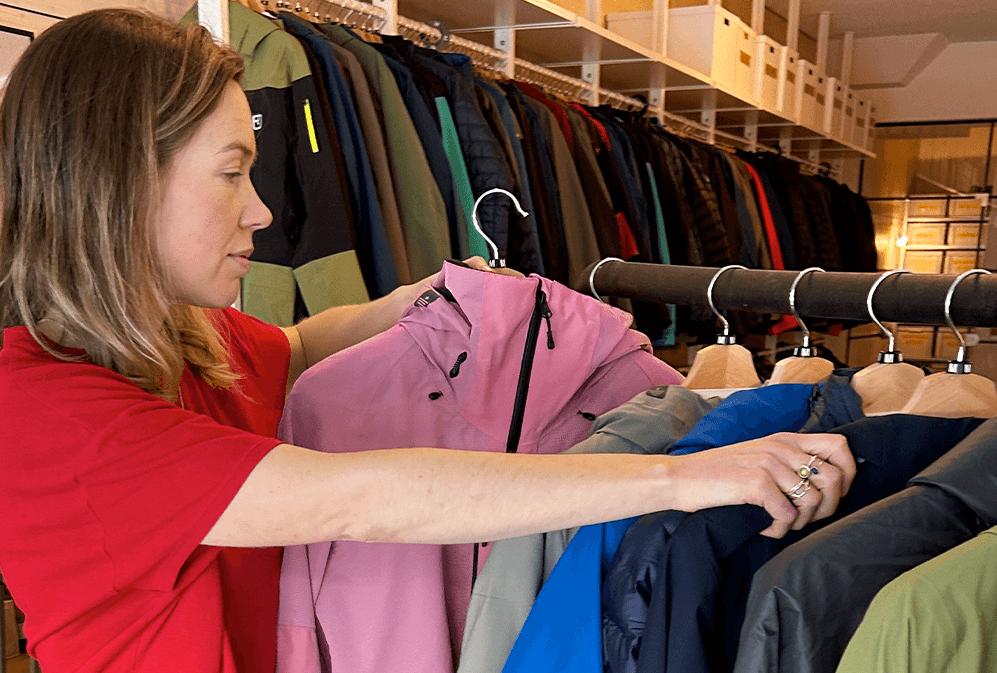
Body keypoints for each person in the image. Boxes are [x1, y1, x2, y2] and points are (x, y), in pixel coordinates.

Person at [0, 9, 855, 673]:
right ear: (120, 184)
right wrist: (680, 478)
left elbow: (294, 347)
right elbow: (365, 499)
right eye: (231, 174)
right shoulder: (45, 414)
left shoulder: (181, 338)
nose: (260, 210)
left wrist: (418, 300)